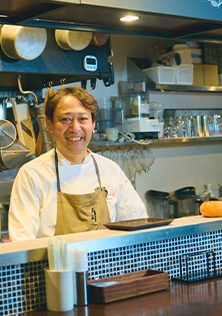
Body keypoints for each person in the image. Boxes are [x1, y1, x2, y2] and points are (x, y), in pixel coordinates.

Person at [8, 86, 147, 241]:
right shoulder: (32, 175)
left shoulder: (110, 170)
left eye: (83, 119)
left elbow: (138, 226)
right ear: (49, 124)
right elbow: (22, 242)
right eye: (65, 119)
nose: (75, 128)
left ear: (93, 124)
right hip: (54, 265)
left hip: (107, 264)